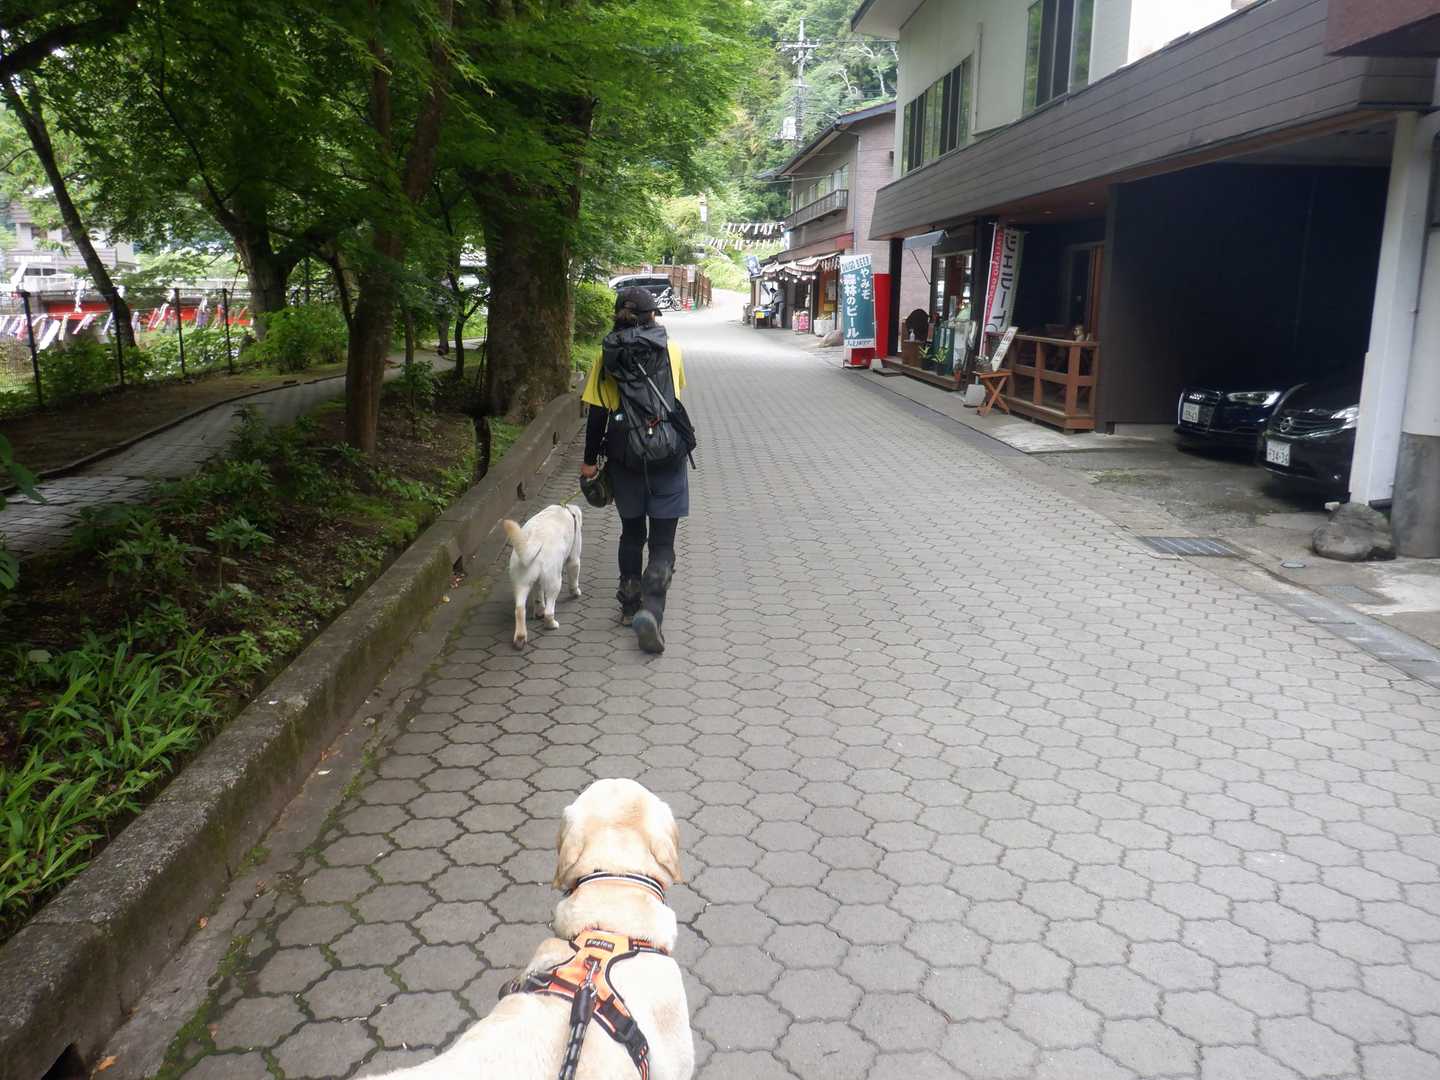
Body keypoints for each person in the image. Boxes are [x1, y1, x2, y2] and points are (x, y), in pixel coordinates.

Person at [579, 287, 689, 654]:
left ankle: (629, 604)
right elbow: (673, 399)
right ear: (652, 316)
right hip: (666, 455)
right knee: (662, 543)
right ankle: (652, 612)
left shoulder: (605, 356)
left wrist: (589, 462)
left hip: (624, 455)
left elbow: (597, 415)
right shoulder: (671, 350)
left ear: (617, 316)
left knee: (631, 533)